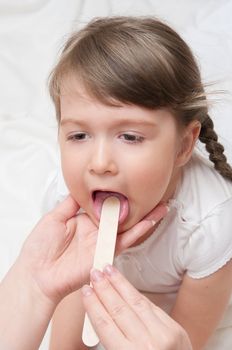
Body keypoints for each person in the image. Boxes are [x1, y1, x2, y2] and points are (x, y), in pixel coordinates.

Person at [47, 16, 232, 350]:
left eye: (129, 136)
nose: (99, 163)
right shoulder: (66, 199)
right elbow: (64, 338)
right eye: (79, 135)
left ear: (184, 144)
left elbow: (185, 339)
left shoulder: (211, 224)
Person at [0, 195, 192, 350]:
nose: (100, 163)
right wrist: (34, 284)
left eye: (132, 143)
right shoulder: (69, 212)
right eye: (78, 142)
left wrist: (35, 285)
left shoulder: (204, 224)